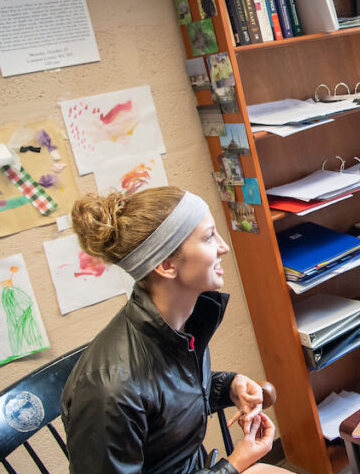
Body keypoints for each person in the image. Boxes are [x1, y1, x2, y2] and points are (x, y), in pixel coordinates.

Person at [61, 186, 287, 473]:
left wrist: (229, 386)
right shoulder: (109, 390)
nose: (223, 247)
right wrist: (234, 464)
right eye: (208, 237)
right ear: (166, 265)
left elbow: (165, 399)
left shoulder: (179, 327)